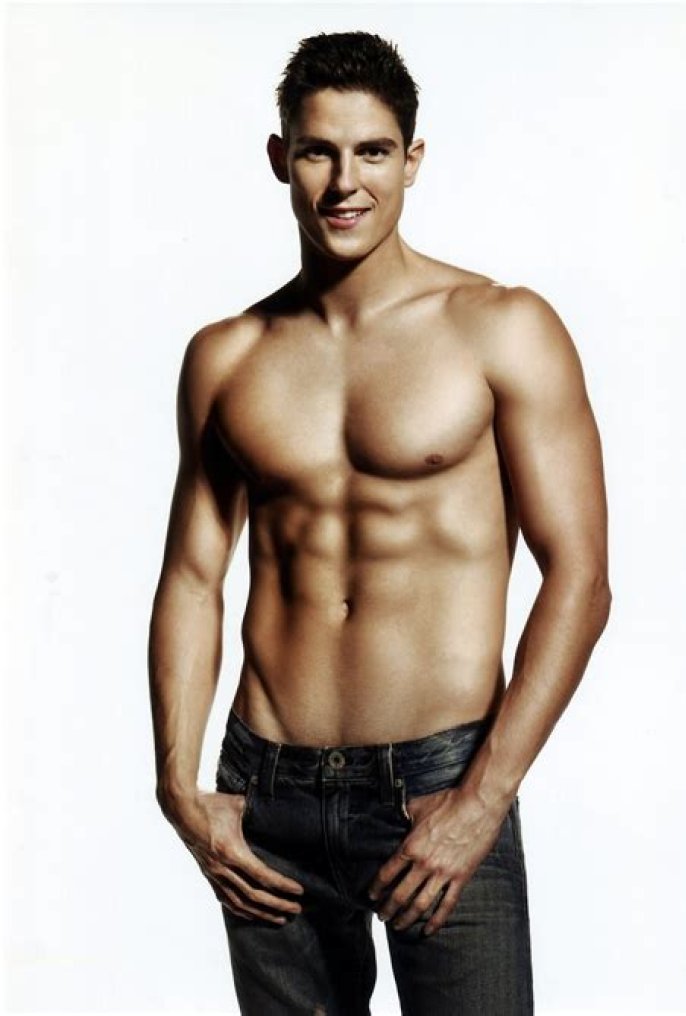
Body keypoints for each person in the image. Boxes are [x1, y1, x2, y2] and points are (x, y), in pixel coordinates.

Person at [148, 30, 611, 1016]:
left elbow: (579, 576)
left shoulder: (499, 327)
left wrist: (482, 800)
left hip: (437, 787)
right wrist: (179, 785)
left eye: (371, 151)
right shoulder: (227, 356)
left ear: (412, 159)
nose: (344, 182)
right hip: (265, 793)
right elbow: (193, 576)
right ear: (280, 158)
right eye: (318, 151)